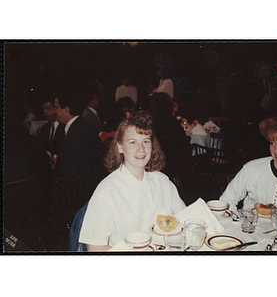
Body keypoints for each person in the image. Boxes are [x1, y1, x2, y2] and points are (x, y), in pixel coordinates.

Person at [79, 110, 186, 251]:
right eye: (133, 142)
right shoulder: (107, 191)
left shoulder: (162, 182)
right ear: (120, 147)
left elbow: (184, 219)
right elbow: (95, 248)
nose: (141, 149)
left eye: (146, 142)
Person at [219, 114, 277, 218]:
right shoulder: (252, 169)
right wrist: (236, 219)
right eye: (272, 143)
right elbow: (227, 199)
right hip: (250, 230)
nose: (276, 150)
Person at [37, 97, 65, 168]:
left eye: (48, 108)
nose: (45, 112)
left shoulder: (64, 127)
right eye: (44, 109)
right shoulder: (44, 128)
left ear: (55, 109)